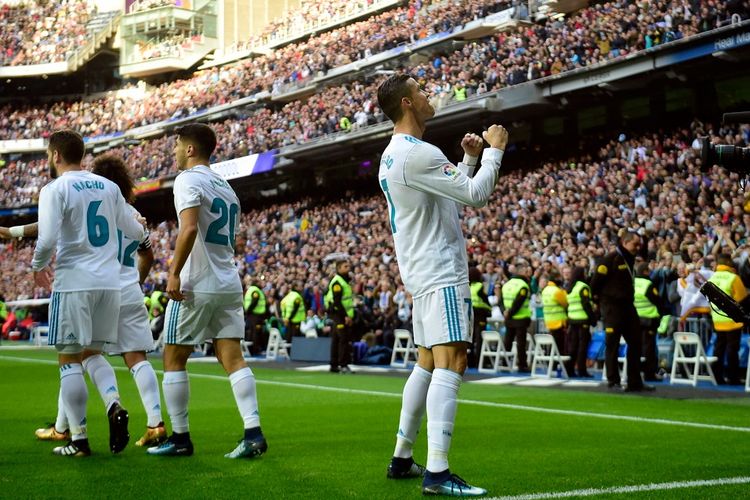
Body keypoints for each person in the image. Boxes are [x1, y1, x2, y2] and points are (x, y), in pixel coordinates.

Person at [377, 73, 508, 497]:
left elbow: (444, 194)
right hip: (441, 269)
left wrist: (467, 161)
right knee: (452, 363)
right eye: (422, 91)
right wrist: (493, 152)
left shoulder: (393, 154)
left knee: (427, 362)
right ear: (408, 103)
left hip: (420, 270)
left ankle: (401, 457)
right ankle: (437, 471)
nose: (429, 94)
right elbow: (476, 196)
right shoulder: (420, 152)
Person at [24, 154, 168, 449]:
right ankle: (155, 423)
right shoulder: (132, 213)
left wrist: (21, 240)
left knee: (77, 356)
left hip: (89, 284)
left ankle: (73, 431)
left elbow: (51, 226)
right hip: (125, 289)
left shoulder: (81, 198)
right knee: (136, 358)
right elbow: (146, 248)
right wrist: (137, 281)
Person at [147, 124, 267, 458]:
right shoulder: (227, 188)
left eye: (175, 145)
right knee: (232, 357)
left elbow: (188, 229)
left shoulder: (188, 179)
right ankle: (253, 432)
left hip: (197, 284)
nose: (172, 152)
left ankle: (181, 438)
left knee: (173, 356)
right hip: (228, 282)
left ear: (190, 149)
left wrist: (173, 273)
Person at [591, 231, 654, 392]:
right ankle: (613, 381)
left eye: (639, 244)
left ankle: (634, 381)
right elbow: (595, 284)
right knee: (612, 344)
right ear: (625, 243)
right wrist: (602, 303)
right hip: (612, 308)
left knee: (636, 342)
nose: (638, 247)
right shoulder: (610, 259)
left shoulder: (630, 260)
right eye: (635, 244)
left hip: (628, 307)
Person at [706, 254, 748, 385]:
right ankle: (733, 377)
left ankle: (717, 376)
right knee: (732, 349)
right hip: (732, 321)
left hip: (717, 320)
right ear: (729, 262)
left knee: (719, 348)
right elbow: (742, 299)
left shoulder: (711, 278)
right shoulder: (733, 278)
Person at [633, 262, 668, 382]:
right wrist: (661, 314)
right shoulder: (648, 284)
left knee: (636, 348)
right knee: (649, 349)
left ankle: (635, 372)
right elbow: (657, 301)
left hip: (635, 320)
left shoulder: (633, 283)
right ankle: (649, 374)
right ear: (645, 272)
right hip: (649, 320)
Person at [499, 261, 532, 373]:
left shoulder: (507, 284)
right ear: (521, 271)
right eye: (526, 271)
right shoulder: (523, 285)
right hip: (520, 318)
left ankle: (505, 363)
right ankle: (522, 365)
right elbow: (519, 302)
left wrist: (505, 312)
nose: (528, 273)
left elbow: (500, 301)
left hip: (509, 318)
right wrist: (510, 312)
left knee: (507, 341)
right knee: (520, 343)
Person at [565, 266, 596, 378]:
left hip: (572, 319)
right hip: (583, 319)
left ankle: (570, 368)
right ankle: (582, 370)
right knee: (582, 346)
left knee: (574, 346)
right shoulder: (583, 287)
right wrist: (593, 319)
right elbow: (586, 304)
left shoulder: (570, 287)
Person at [325, 259, 355, 373]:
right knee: (343, 338)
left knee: (336, 338)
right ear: (339, 269)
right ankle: (343, 364)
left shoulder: (344, 281)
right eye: (345, 266)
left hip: (340, 313)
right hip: (338, 313)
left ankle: (333, 365)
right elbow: (337, 302)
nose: (348, 268)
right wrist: (346, 316)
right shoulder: (337, 282)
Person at [540, 269, 568, 368]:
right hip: (559, 322)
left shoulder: (545, 290)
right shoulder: (557, 291)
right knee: (560, 346)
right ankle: (557, 365)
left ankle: (551, 364)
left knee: (552, 345)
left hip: (549, 321)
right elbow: (565, 303)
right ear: (556, 278)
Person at [468, 266, 491, 369]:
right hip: (480, 315)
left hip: (469, 315)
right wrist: (489, 309)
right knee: (479, 339)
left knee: (471, 340)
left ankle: (470, 361)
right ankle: (480, 362)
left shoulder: (467, 286)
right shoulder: (479, 286)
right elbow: (485, 300)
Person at [243, 278, 267, 355]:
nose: (261, 283)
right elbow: (254, 302)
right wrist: (248, 311)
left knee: (252, 332)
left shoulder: (250, 290)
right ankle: (255, 350)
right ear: (256, 283)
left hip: (252, 315)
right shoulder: (255, 291)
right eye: (260, 282)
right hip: (255, 315)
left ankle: (251, 350)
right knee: (255, 333)